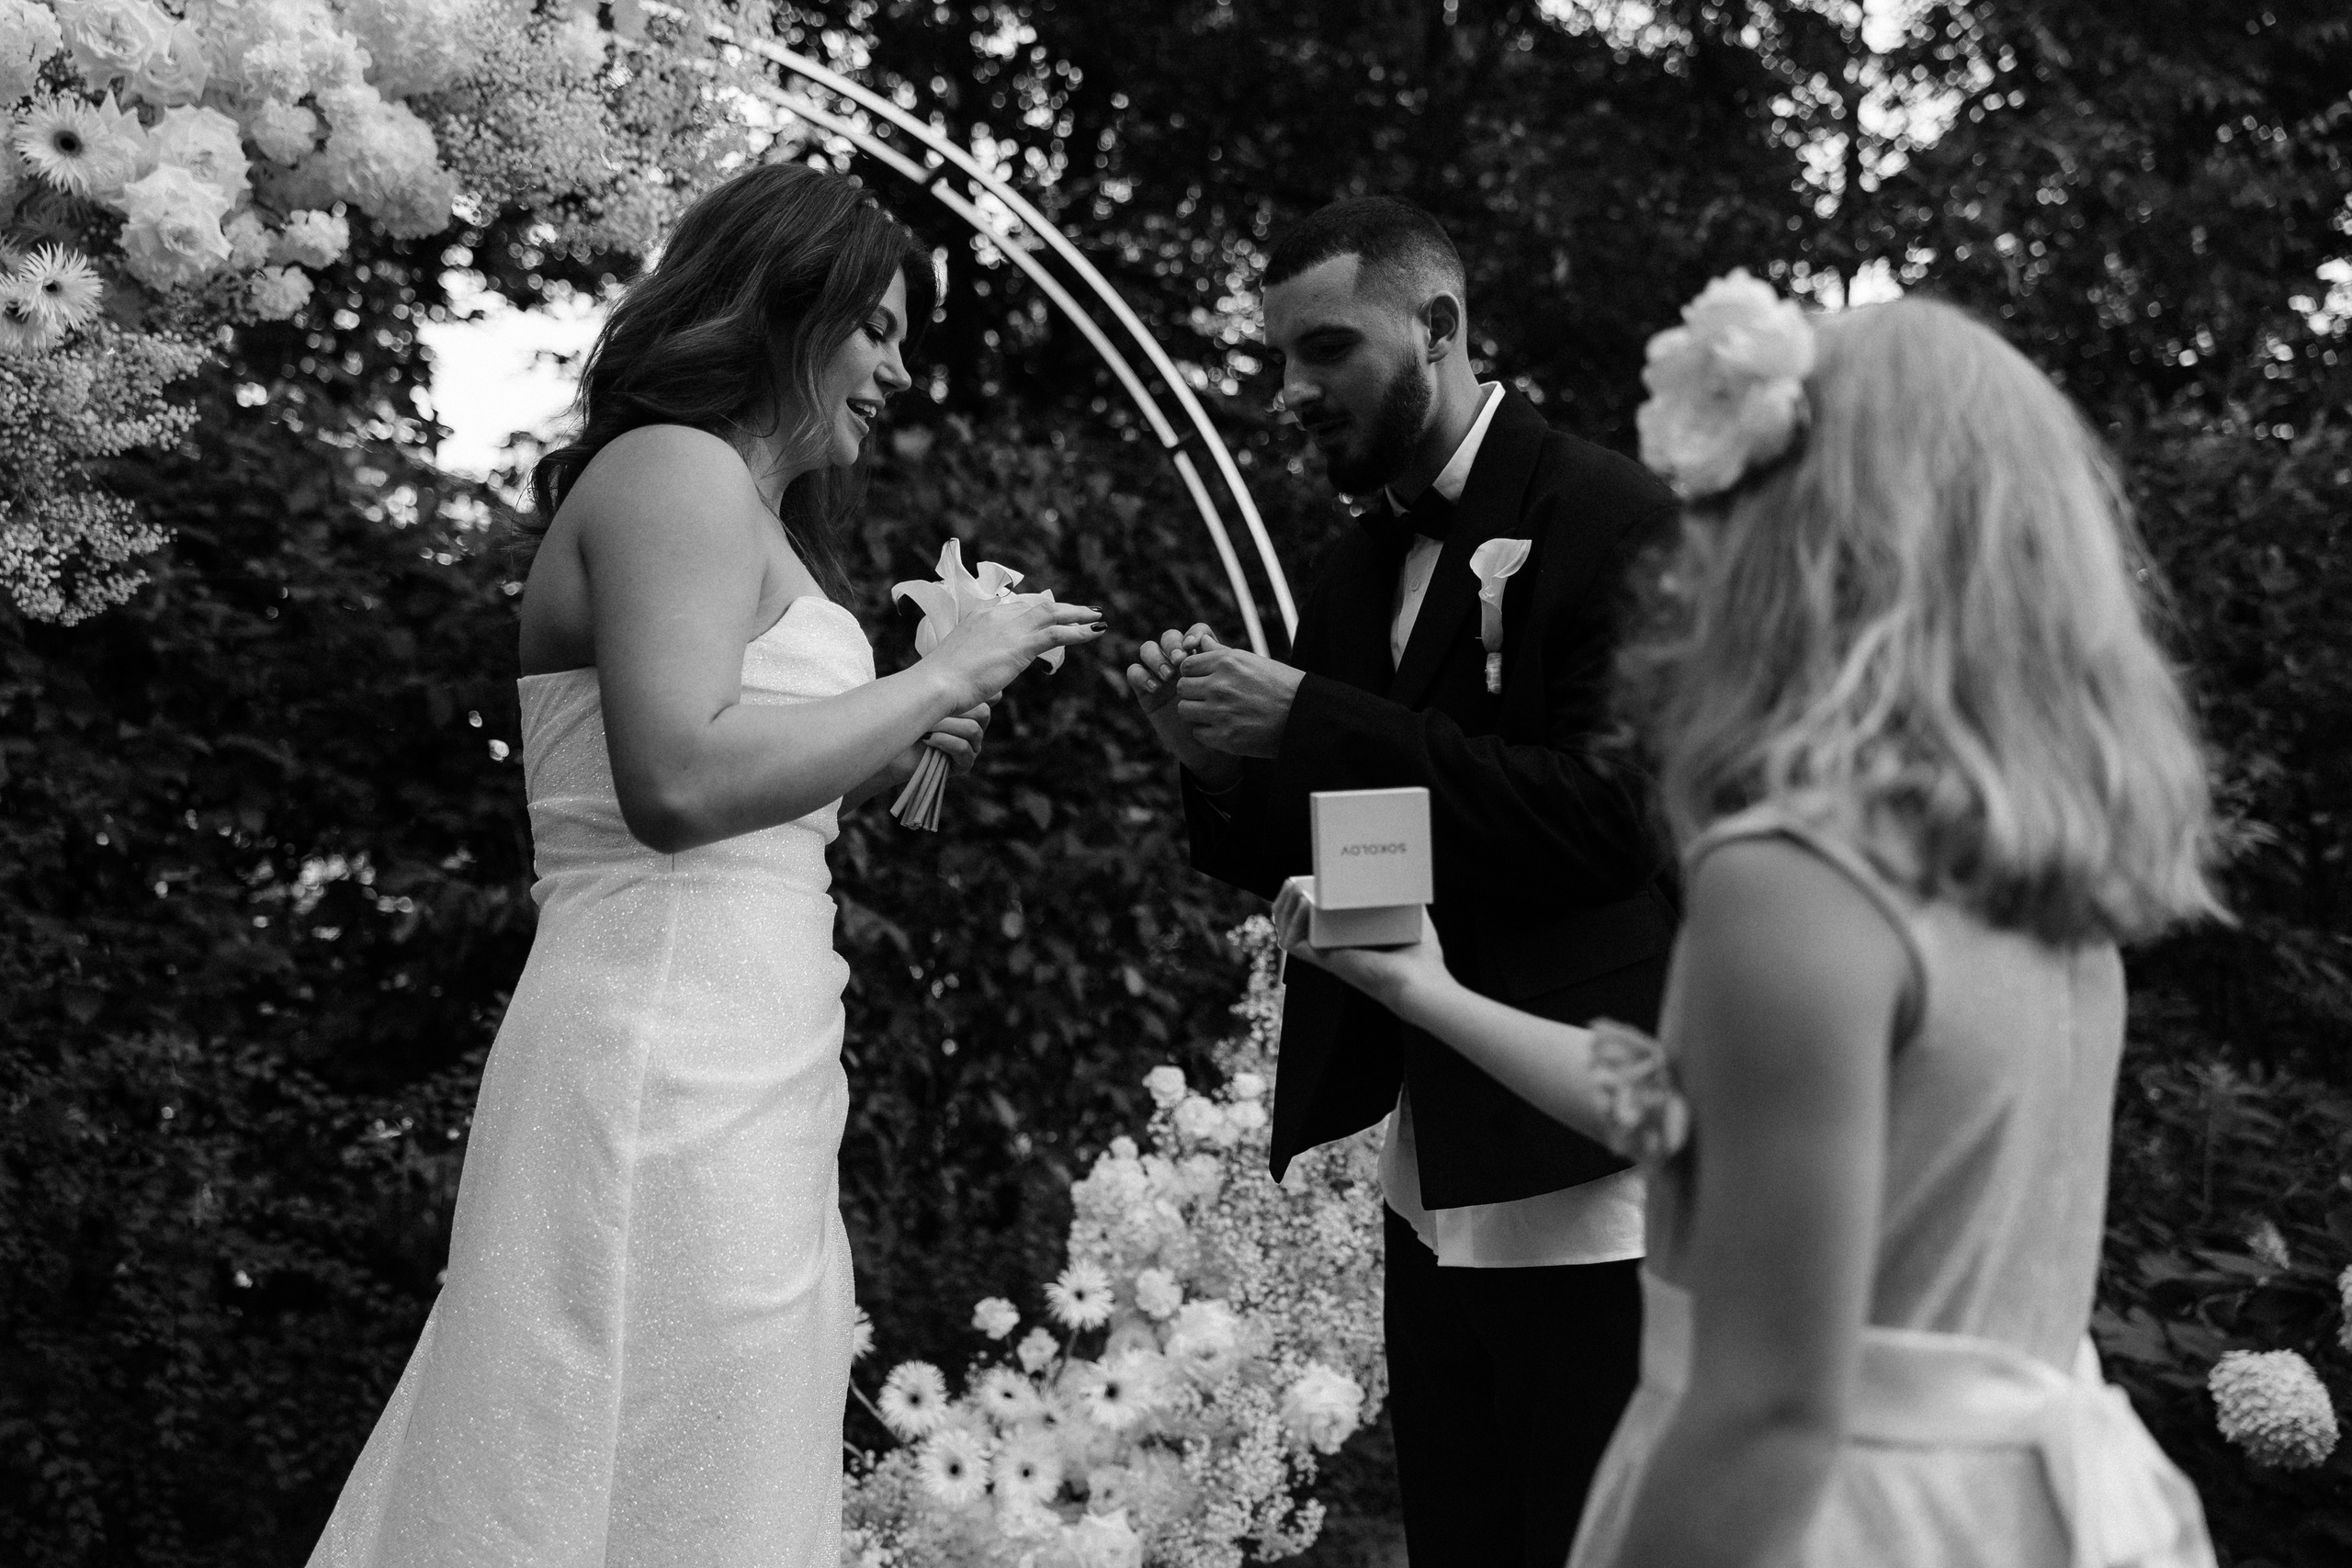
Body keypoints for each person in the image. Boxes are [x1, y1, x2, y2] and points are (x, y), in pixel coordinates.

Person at [1276, 282, 2220, 1568]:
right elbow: (1699, 1108)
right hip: (2030, 1512)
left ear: (1788, 524)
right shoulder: (2042, 860)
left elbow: (1769, 1413)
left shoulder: (1800, 876)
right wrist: (1427, 992)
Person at [306, 163, 1103, 1567]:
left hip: (752, 1056)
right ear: (784, 307)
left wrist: (888, 741)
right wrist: (938, 680)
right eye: (877, 330)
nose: (900, 372)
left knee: (712, 1454)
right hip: (660, 1063)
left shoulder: (745, 512)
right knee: (614, 1450)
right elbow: (673, 786)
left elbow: (743, 787)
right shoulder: (673, 469)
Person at [1125, 197, 1679, 1567]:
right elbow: (1349, 831)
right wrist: (1218, 771)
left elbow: (1613, 821)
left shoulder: (1613, 515)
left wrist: (1311, 716)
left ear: (1439, 327)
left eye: (1326, 350)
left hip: (1585, 1168)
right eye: (1281, 360)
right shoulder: (1355, 562)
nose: (1291, 392)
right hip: (1432, 1169)